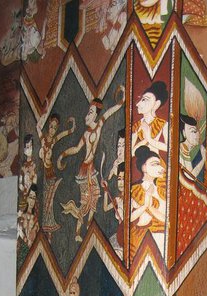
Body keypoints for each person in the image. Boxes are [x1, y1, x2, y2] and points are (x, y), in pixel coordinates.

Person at [59, 88, 125, 243]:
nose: (86, 116)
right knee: (85, 201)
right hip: (84, 169)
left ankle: (88, 226)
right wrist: (62, 155)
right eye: (87, 113)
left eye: (89, 113)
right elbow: (76, 149)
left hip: (92, 170)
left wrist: (121, 102)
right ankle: (77, 231)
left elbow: (108, 113)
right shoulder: (87, 133)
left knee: (94, 198)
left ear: (95, 115)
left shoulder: (99, 125)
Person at [37, 111, 76, 237]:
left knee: (49, 200)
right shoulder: (43, 140)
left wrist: (71, 129)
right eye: (51, 127)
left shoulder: (53, 141)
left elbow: (62, 135)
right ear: (48, 126)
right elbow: (38, 127)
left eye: (55, 128)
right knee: (45, 201)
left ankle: (49, 226)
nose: (52, 130)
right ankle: (46, 226)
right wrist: (44, 112)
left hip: (50, 173)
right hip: (45, 173)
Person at [130, 146, 167, 262]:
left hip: (162, 237)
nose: (161, 168)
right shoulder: (136, 189)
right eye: (155, 164)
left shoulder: (161, 189)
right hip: (145, 237)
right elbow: (131, 218)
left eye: (160, 164)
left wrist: (149, 205)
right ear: (144, 167)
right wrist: (146, 203)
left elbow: (166, 219)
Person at [131, 80, 169, 156]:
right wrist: (145, 140)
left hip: (156, 160)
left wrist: (149, 139)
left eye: (144, 99)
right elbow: (130, 153)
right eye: (141, 99)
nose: (138, 104)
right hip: (140, 161)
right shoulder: (136, 126)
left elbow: (169, 148)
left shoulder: (163, 124)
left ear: (156, 104)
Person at [179, 113, 206, 180]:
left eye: (197, 131)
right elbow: (190, 177)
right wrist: (203, 159)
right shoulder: (182, 148)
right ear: (184, 133)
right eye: (193, 131)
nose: (197, 134)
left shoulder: (191, 148)